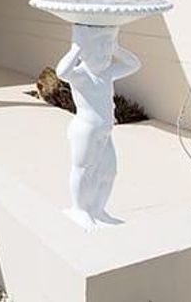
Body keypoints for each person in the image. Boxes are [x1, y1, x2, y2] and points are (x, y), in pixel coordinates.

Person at [56, 24, 140, 230]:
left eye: (107, 52)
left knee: (108, 172)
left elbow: (134, 64)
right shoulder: (81, 75)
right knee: (83, 170)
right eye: (99, 51)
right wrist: (76, 47)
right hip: (85, 131)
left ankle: (99, 209)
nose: (105, 56)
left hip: (105, 132)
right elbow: (62, 72)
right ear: (86, 52)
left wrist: (116, 48)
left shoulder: (106, 73)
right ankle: (80, 209)